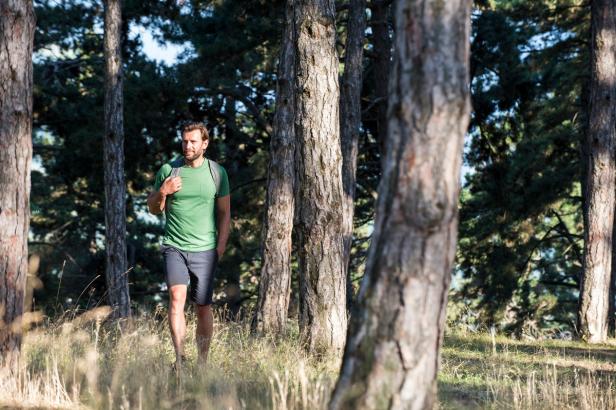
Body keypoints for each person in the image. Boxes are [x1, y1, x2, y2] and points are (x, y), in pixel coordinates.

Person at [147, 122, 230, 368]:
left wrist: (221, 246)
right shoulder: (169, 170)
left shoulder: (217, 173)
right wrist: (163, 191)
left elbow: (225, 213)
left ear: (205, 144)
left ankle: (202, 364)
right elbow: (153, 209)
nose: (188, 146)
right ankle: (180, 359)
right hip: (174, 245)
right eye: (184, 141)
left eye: (193, 141)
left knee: (203, 306)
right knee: (176, 298)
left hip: (205, 247)